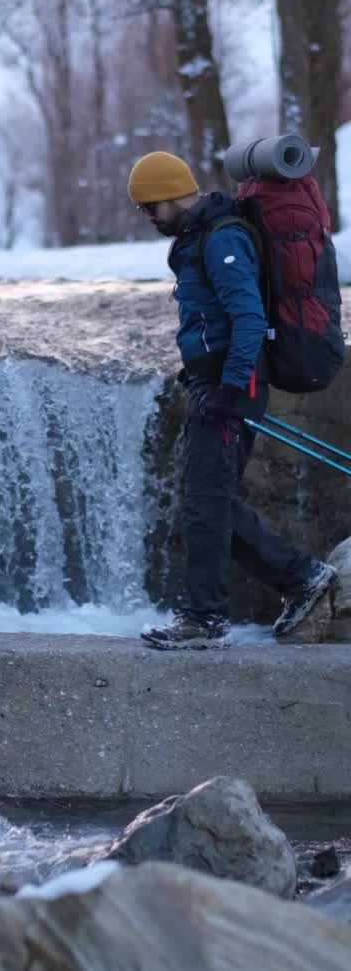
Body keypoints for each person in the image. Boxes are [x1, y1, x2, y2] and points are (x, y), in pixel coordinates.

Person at [127, 150, 337, 650]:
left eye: (150, 208)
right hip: (217, 382)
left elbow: (246, 318)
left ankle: (205, 619)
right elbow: (211, 322)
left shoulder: (223, 239)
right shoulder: (200, 237)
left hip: (233, 387)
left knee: (205, 505)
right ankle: (302, 578)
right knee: (209, 502)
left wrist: (227, 386)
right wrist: (196, 370)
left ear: (171, 195)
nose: (150, 218)